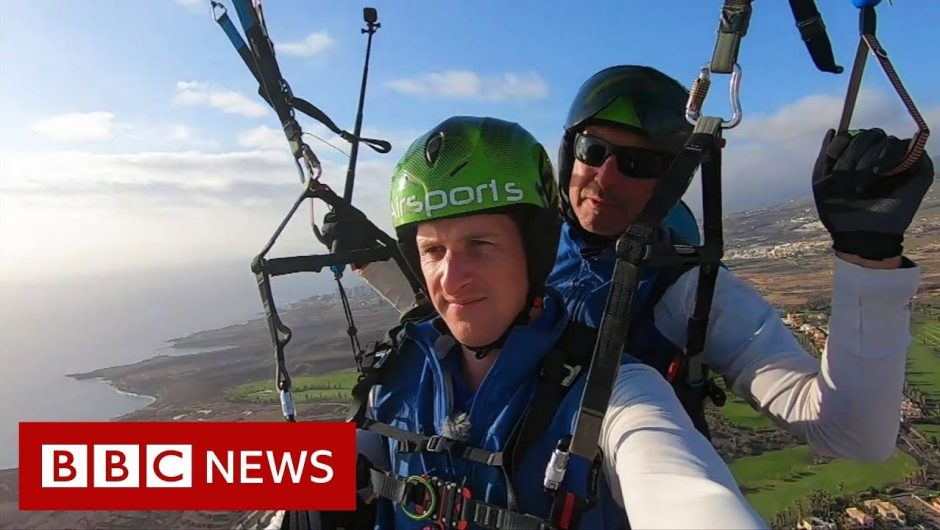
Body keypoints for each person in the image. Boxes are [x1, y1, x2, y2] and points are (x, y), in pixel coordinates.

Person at [342, 65, 933, 465]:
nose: (605, 177)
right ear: (568, 153)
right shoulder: (527, 242)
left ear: (672, 180)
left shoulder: (684, 290)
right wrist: (374, 261)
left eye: (639, 164)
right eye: (593, 151)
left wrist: (868, 257)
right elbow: (463, 308)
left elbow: (853, 434)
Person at [334, 116, 767, 529]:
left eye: (480, 244)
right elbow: (283, 472)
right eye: (433, 251)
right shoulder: (397, 374)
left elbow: (688, 498)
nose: (451, 279)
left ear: (535, 250)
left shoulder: (611, 394)